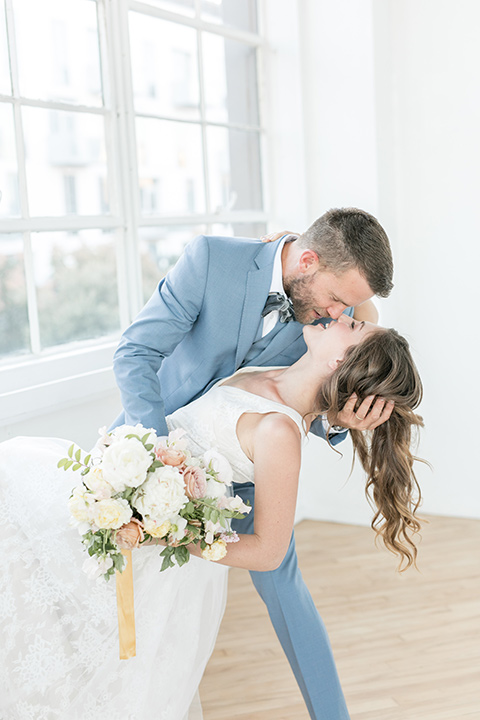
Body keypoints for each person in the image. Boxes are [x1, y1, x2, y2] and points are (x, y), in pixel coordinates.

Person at [0, 316, 424, 720]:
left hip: (153, 541)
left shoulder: (280, 433)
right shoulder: (274, 368)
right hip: (121, 494)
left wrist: (170, 534)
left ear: (338, 361)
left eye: (352, 325)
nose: (339, 315)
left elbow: (269, 552)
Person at [110, 207, 396, 718]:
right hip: (155, 443)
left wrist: (345, 417)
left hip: (245, 463)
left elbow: (324, 381)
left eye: (348, 307)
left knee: (282, 580)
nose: (337, 314)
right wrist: (160, 461)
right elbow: (135, 354)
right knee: (123, 583)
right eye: (336, 300)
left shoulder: (328, 315)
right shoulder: (210, 260)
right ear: (305, 260)